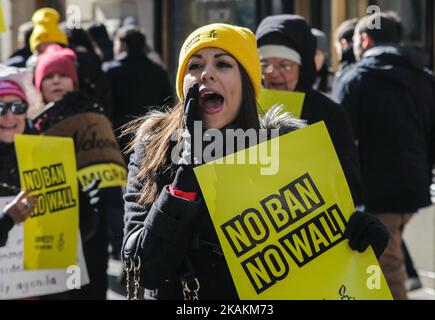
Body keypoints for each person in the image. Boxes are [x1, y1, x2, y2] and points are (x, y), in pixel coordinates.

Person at [121, 23, 389, 300]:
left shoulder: (282, 148)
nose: (206, 74)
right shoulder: (153, 150)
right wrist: (185, 176)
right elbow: (144, 271)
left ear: (247, 83)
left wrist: (356, 243)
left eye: (223, 64)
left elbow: (311, 264)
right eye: (195, 65)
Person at [334, 12, 435, 300]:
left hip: (374, 192)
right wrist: (419, 164)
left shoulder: (355, 78)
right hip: (413, 187)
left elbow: (337, 140)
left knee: (388, 269)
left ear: (364, 39)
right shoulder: (425, 78)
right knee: (387, 260)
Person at [32, 44, 125, 299]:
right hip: (46, 226)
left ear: (73, 80)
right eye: (49, 77)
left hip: (90, 219)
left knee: (89, 287)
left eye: (62, 75)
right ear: (39, 84)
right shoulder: (29, 120)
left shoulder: (91, 115)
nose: (56, 81)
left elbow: (110, 175)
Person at [255, 14, 362, 207]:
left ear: (302, 68)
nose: (272, 72)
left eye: (284, 65)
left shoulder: (329, 114)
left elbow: (349, 185)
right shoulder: (245, 107)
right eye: (264, 64)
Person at [103, 26, 173, 164]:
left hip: (117, 136)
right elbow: (168, 104)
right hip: (151, 135)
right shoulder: (158, 71)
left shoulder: (110, 71)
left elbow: (105, 106)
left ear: (123, 44)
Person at [0, 77, 37, 247]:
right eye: (0, 108)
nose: (9, 116)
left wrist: (88, 208)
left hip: (39, 269)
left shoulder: (44, 152)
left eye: (17, 107)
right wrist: (6, 221)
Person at [311, 28, 334, 94]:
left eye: (316, 54)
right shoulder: (294, 80)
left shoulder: (333, 81)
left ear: (325, 55)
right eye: (309, 54)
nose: (312, 58)